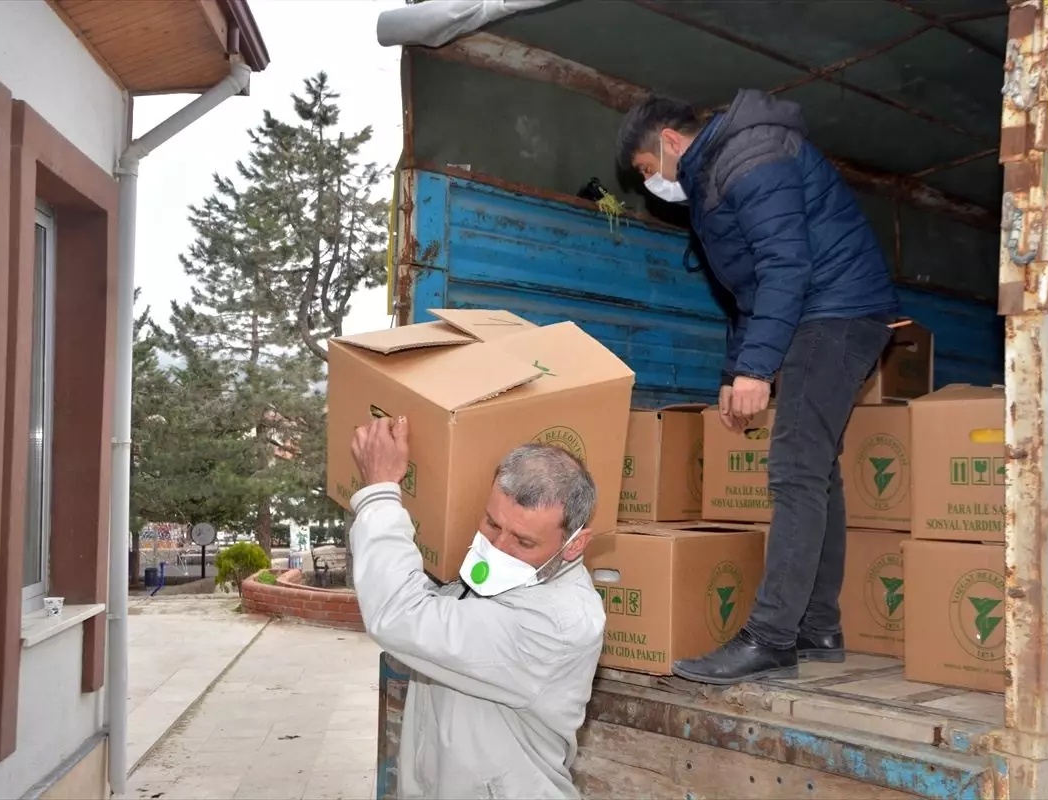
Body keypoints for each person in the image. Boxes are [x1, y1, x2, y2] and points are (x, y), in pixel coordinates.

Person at [616, 90, 900, 684]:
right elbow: (748, 292)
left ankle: (771, 638)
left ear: (669, 142)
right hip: (820, 313)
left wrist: (756, 369)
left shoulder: (749, 156)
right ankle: (817, 626)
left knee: (796, 469)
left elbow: (784, 266)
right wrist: (733, 371)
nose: (651, 185)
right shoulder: (717, 174)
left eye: (646, 171)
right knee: (815, 470)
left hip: (837, 309)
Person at [349, 415, 604, 799]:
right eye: (491, 523)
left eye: (523, 540)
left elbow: (400, 615)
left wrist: (380, 493)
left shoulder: (559, 624)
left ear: (575, 545)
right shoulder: (498, 574)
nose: (497, 548)